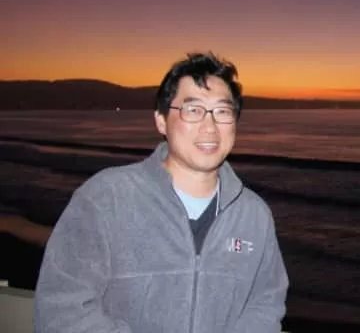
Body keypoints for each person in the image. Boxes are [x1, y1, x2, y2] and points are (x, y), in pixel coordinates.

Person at [34, 52, 288, 333]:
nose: (210, 127)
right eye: (193, 110)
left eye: (222, 112)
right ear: (161, 121)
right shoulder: (106, 198)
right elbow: (62, 311)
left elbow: (265, 303)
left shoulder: (253, 215)